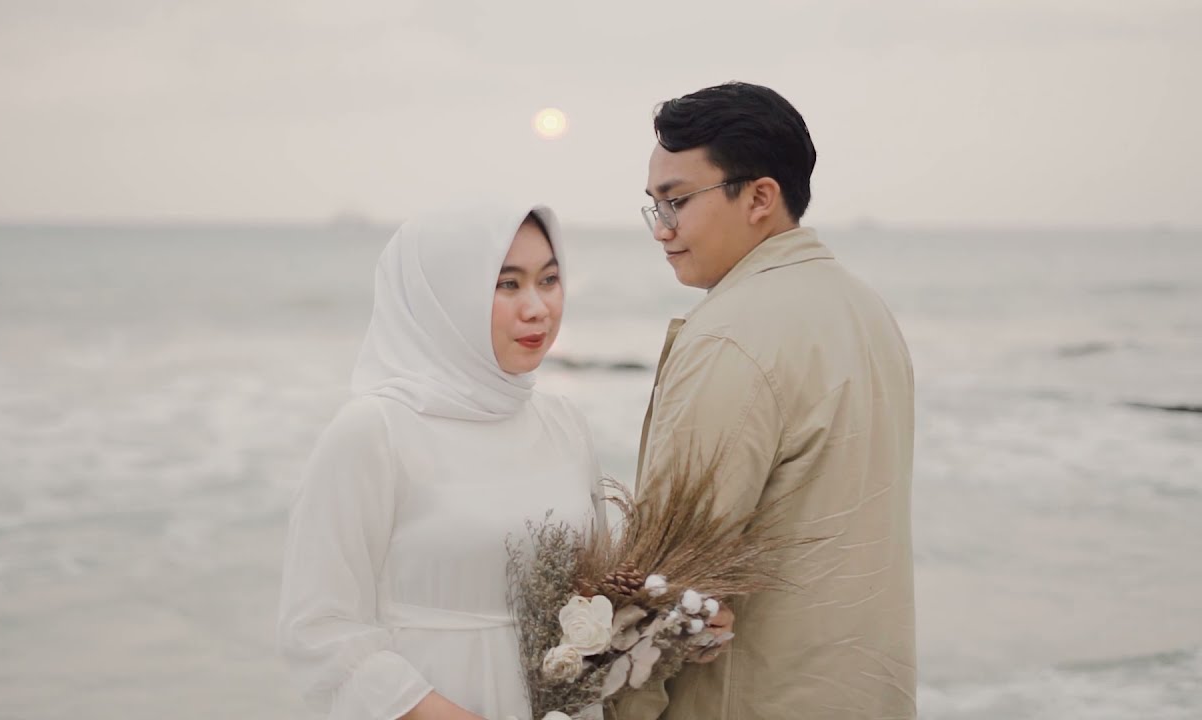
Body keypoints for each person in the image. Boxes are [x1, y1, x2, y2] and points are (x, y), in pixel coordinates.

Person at [613, 82, 917, 719]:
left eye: (676, 202)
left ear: (759, 197)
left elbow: (671, 575)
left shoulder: (731, 336)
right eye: (654, 206)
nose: (661, 229)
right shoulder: (865, 309)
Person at [278, 204, 604, 720]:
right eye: (507, 284)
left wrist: (684, 620)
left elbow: (597, 590)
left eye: (549, 279)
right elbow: (318, 629)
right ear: (444, 296)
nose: (538, 307)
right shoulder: (375, 431)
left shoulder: (564, 423)